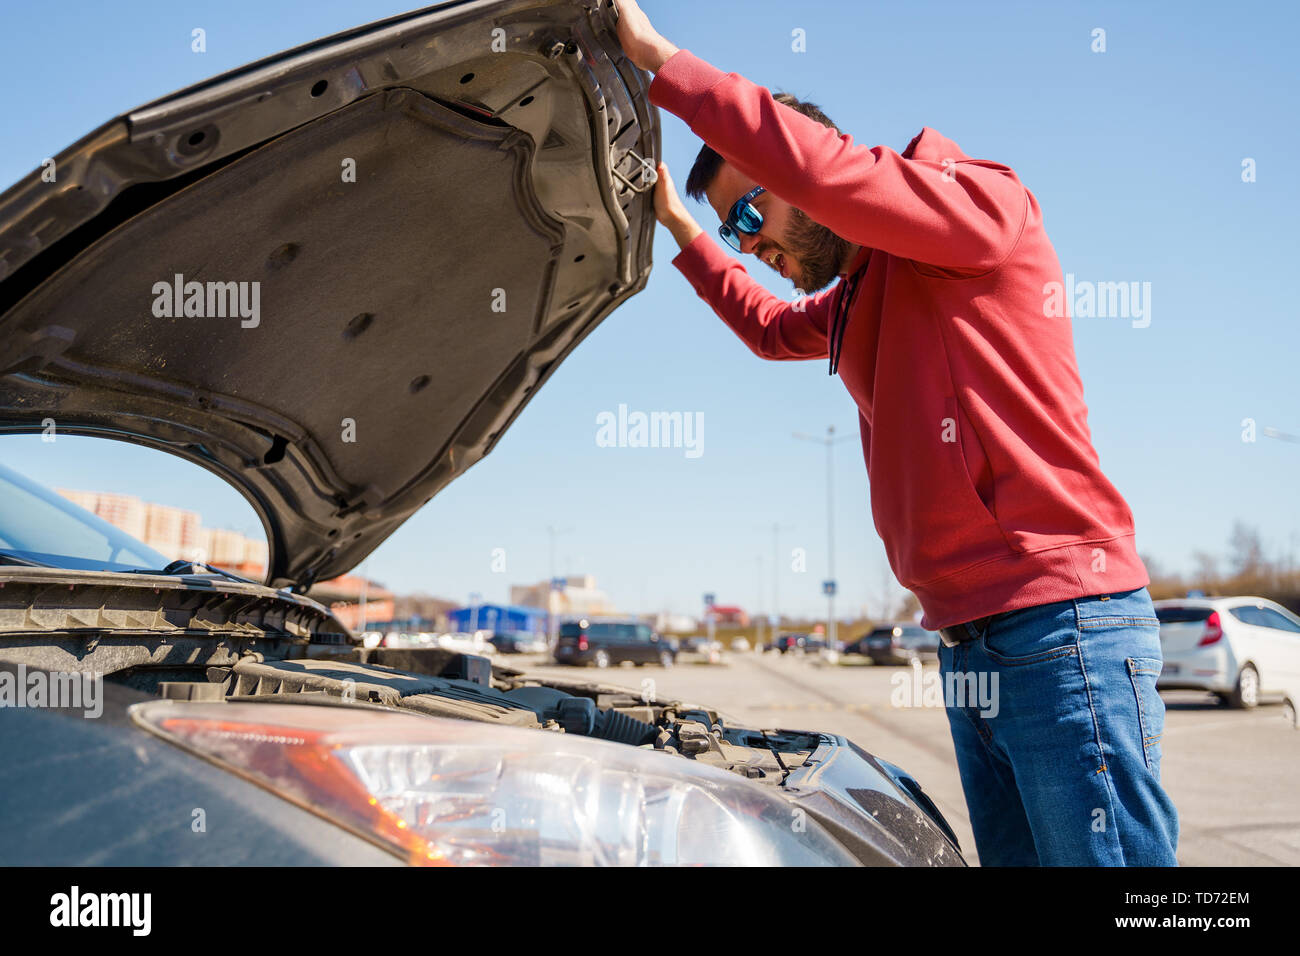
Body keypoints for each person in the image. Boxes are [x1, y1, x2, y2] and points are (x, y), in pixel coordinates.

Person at [613, 0, 1179, 866]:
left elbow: (841, 176)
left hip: (1064, 630)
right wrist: (686, 230)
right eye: (734, 228)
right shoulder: (857, 298)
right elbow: (768, 328)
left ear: (799, 171)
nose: (748, 241)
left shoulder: (979, 209)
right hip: (968, 646)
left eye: (749, 214)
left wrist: (660, 59)